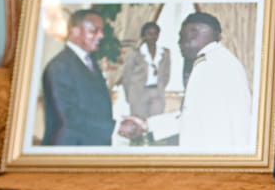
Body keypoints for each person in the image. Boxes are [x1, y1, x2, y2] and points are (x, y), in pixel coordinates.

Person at [146, 12, 253, 152]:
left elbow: (237, 124)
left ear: (194, 33)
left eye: (181, 37)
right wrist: (148, 125)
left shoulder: (215, 65)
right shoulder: (214, 61)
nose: (179, 43)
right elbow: (193, 115)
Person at [41, 9, 143, 146]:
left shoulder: (90, 62)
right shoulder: (59, 66)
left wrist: (121, 121)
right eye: (94, 30)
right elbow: (69, 117)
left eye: (101, 30)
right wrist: (116, 127)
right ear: (75, 31)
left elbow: (92, 107)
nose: (101, 35)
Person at [120, 21, 171, 119]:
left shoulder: (165, 53)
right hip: (138, 92)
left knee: (156, 122)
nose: (153, 37)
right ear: (144, 35)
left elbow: (166, 74)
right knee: (139, 123)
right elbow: (127, 76)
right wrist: (129, 96)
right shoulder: (135, 53)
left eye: (155, 34)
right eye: (149, 34)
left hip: (157, 92)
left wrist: (160, 87)